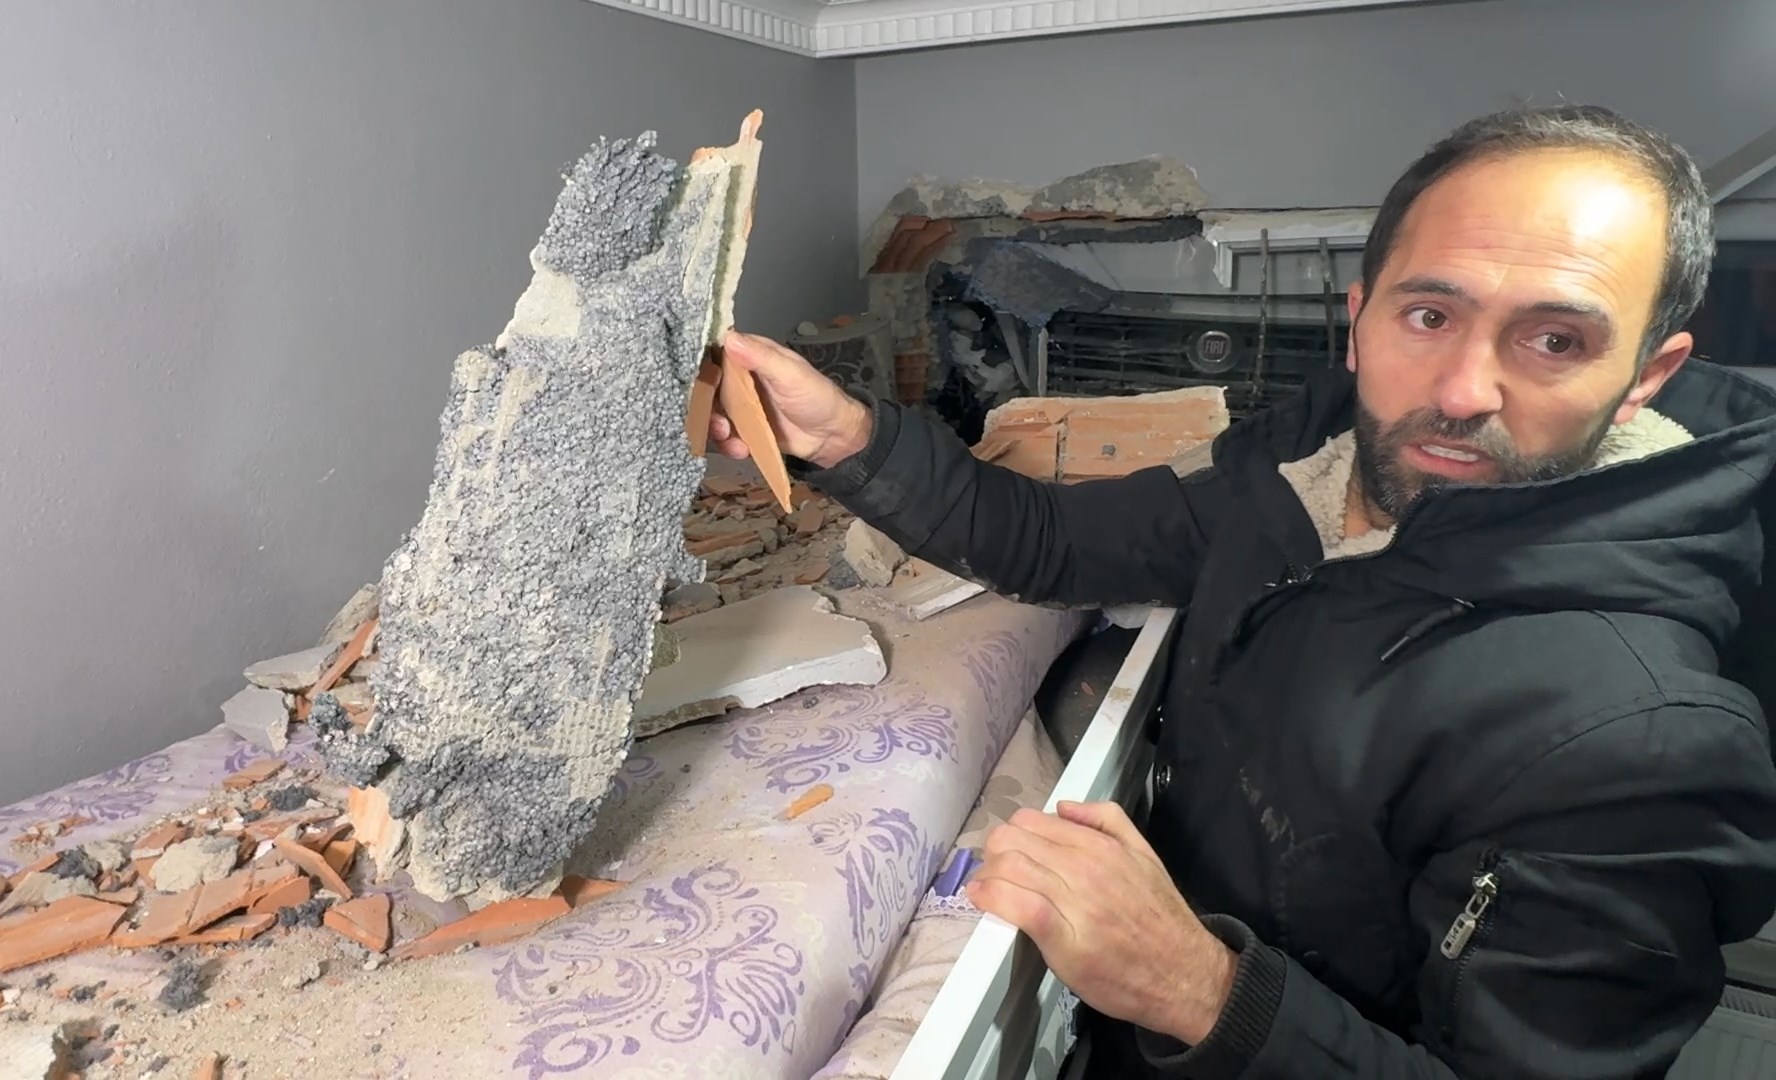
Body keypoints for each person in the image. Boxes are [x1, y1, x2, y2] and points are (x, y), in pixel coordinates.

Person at [709, 104, 1776, 1078]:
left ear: (1646, 374)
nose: (1463, 392)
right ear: (1360, 318)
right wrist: (843, 437)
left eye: (1554, 340)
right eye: (1429, 316)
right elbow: (1048, 541)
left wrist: (1202, 989)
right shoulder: (1302, 474)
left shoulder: (1640, 748)